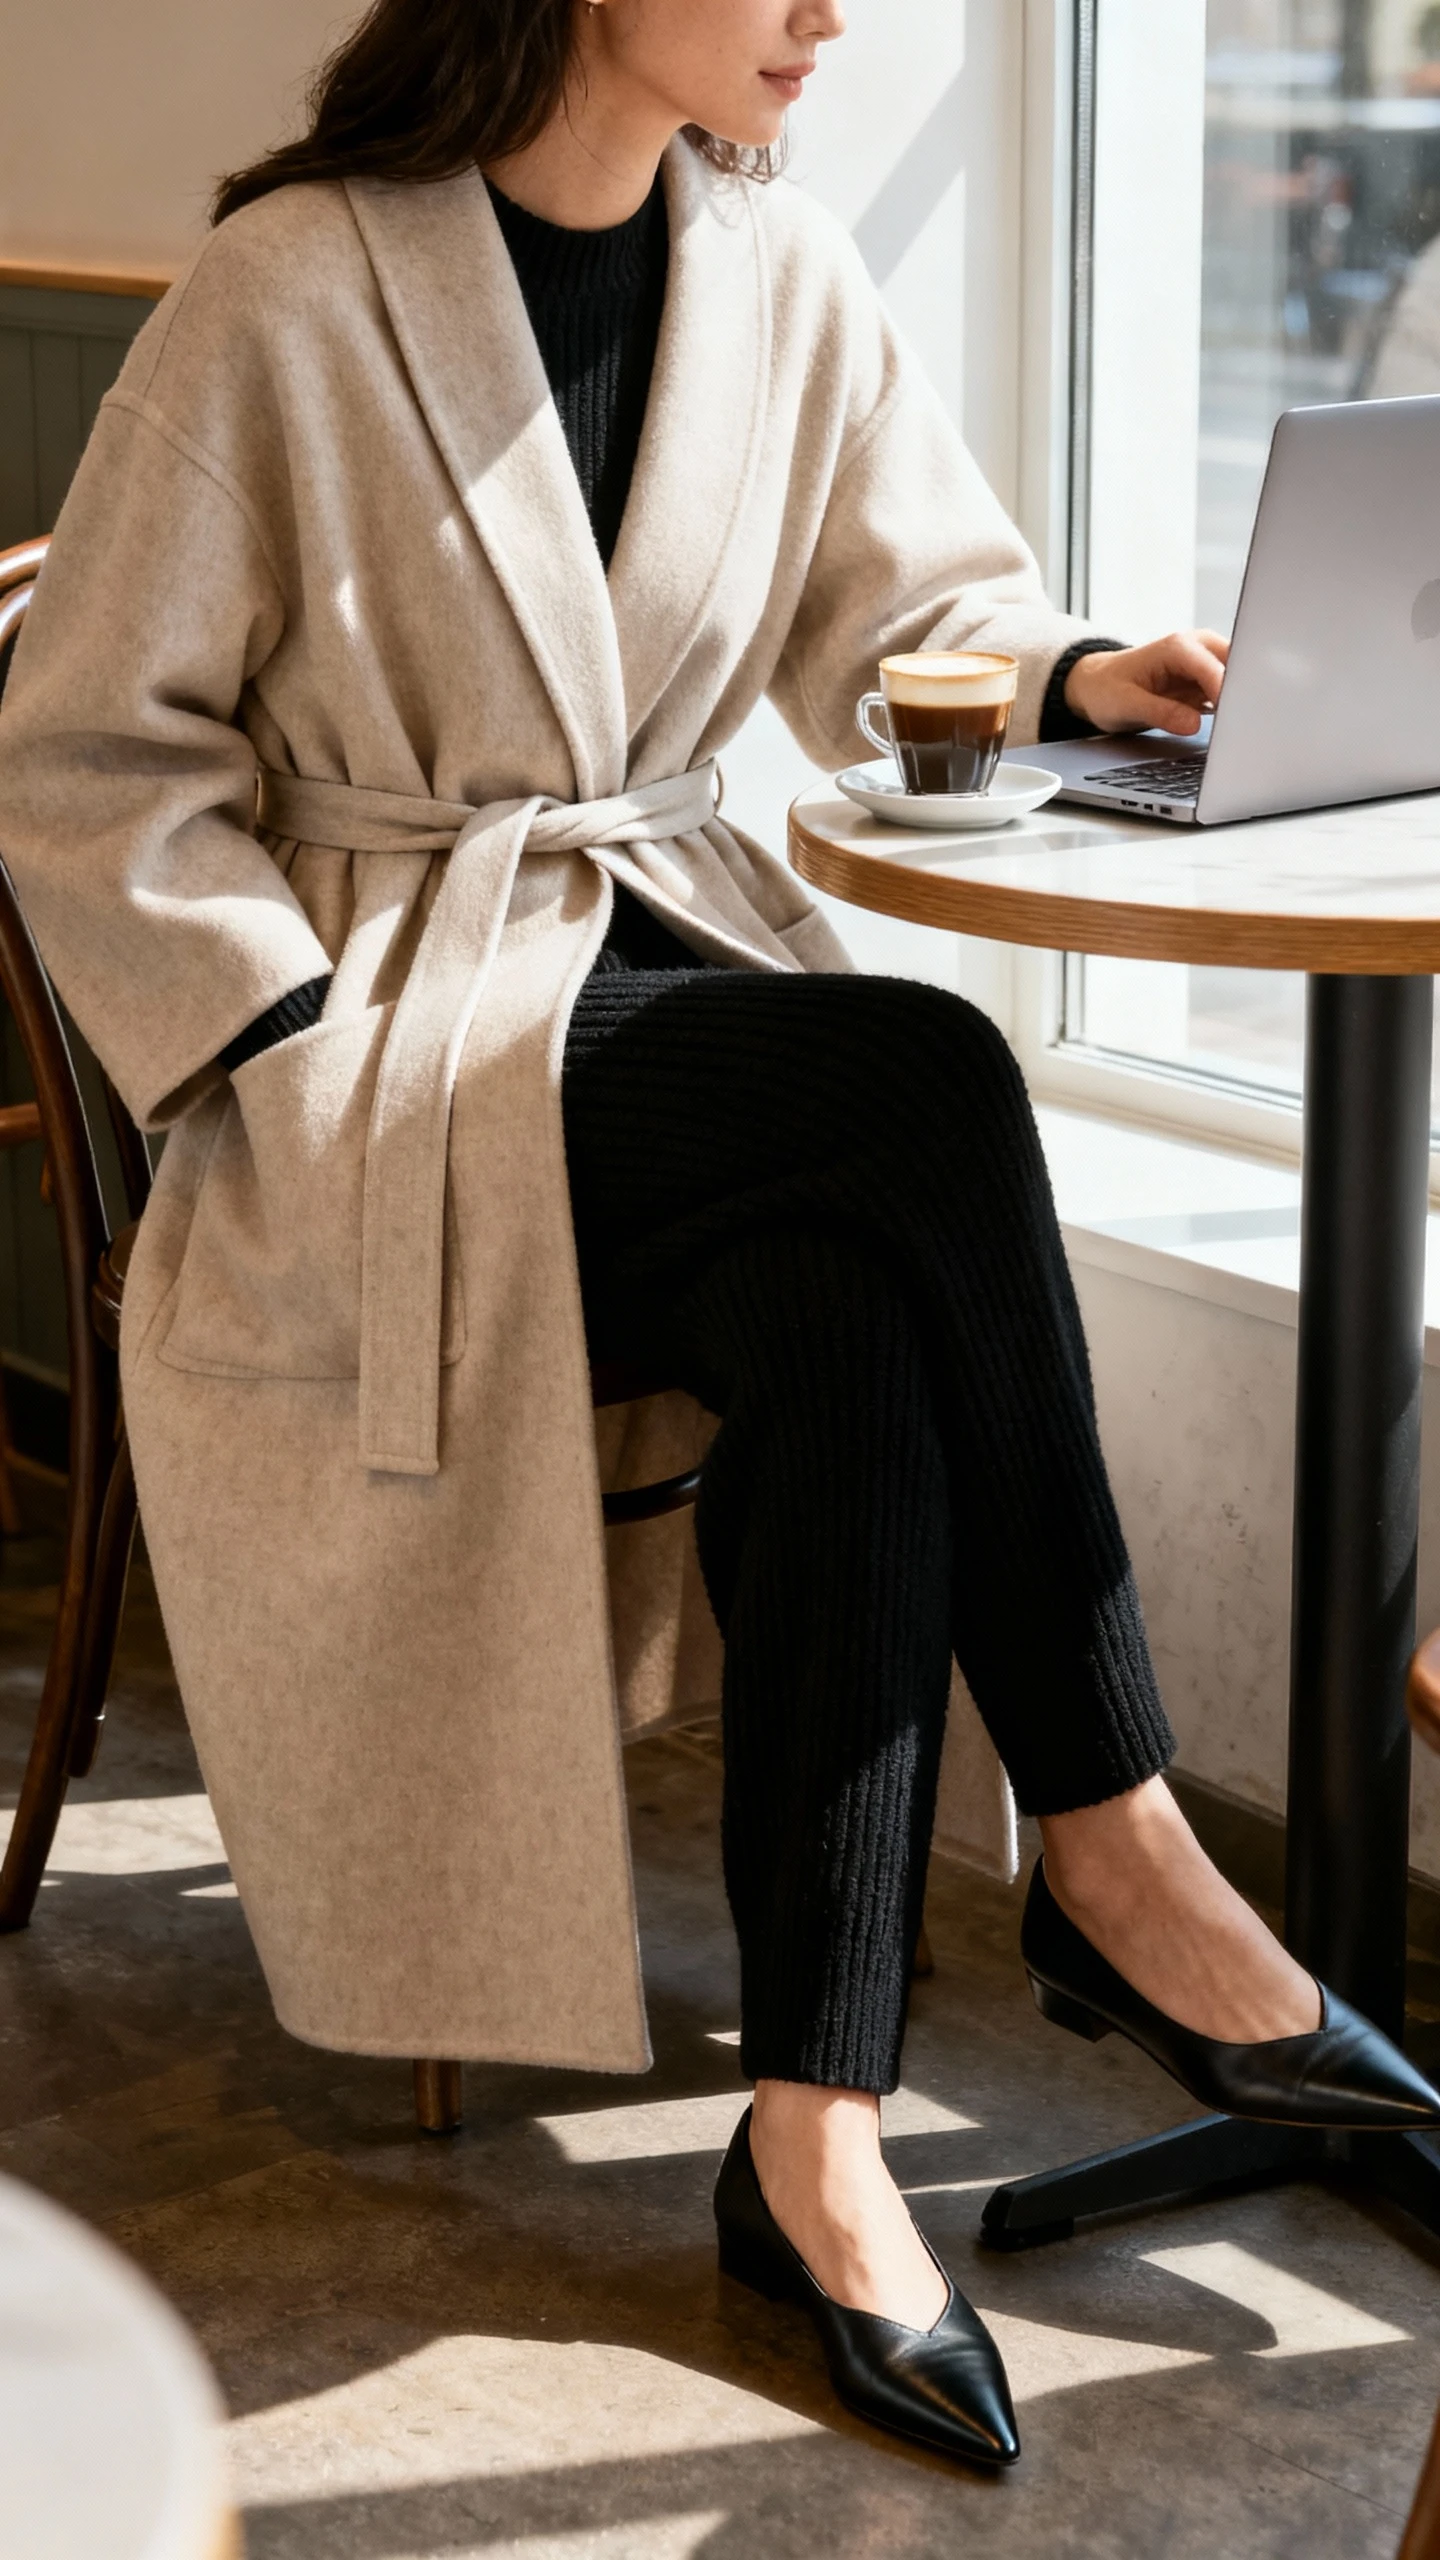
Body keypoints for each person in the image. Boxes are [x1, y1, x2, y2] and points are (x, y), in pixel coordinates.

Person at [1, 0, 1435, 2473]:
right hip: (387, 1058)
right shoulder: (296, 291)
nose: (828, 14)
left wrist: (1089, 667)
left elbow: (903, 626)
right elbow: (84, 758)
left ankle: (817, 2135)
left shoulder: (769, 266)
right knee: (933, 1076)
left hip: (643, 983)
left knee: (850, 1300)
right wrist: (293, 1041)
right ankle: (1121, 1836)